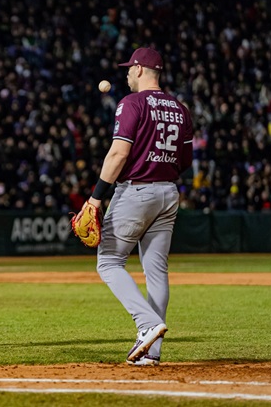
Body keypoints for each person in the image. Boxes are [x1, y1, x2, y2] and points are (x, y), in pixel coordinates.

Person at [75, 47, 193, 366]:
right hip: (168, 191)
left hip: (137, 190)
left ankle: (147, 324)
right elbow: (185, 161)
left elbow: (118, 154)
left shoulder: (133, 102)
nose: (127, 73)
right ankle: (151, 353)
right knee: (156, 270)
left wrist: (95, 197)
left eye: (129, 68)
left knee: (109, 262)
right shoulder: (180, 109)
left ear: (140, 69)